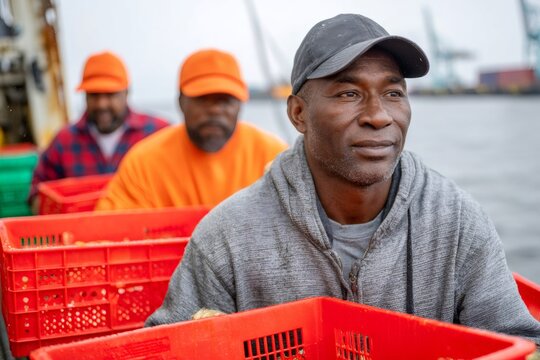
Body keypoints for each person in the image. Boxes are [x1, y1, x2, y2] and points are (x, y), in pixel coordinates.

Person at [145, 14, 540, 344]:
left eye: (393, 93)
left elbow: (519, 343)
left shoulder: (457, 223)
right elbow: (172, 344)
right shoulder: (227, 238)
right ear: (299, 114)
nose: (378, 115)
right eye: (349, 93)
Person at [95, 49, 287, 210]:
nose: (214, 110)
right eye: (202, 99)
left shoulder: (274, 156)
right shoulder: (143, 164)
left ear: (240, 104)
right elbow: (107, 229)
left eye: (225, 100)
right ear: (180, 102)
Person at [29, 51, 168, 211]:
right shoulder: (64, 140)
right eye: (94, 95)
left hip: (146, 231)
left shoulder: (158, 133)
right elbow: (36, 193)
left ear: (126, 92)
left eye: (110, 95)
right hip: (79, 234)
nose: (101, 104)